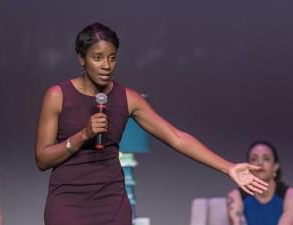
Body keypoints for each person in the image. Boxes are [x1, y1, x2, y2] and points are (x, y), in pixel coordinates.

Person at [35, 22, 268, 225]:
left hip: (111, 203)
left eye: (112, 57)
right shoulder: (57, 95)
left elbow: (176, 137)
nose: (106, 65)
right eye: (98, 58)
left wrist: (228, 167)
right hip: (67, 204)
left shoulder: (127, 98)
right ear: (81, 59)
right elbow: (42, 159)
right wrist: (83, 135)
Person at [227, 141, 293, 225]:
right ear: (247, 166)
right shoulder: (235, 196)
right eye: (254, 159)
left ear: (275, 166)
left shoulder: (290, 194)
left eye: (266, 158)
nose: (260, 163)